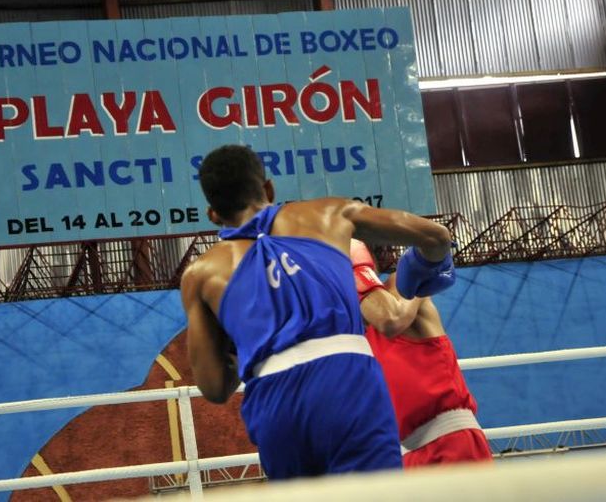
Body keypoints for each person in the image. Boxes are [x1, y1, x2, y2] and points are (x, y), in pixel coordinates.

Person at [180, 144, 455, 479]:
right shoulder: (329, 212)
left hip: (273, 400)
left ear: (212, 213)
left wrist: (249, 335)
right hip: (347, 380)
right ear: (268, 188)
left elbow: (214, 388)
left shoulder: (199, 274)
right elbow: (436, 235)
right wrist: (423, 268)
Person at [350, 239, 493, 467]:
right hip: (406, 455)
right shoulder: (352, 332)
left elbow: (393, 319)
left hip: (451, 442)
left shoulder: (399, 285)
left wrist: (358, 271)